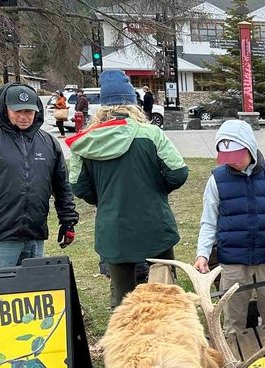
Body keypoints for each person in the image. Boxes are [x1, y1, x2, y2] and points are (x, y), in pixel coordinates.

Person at [68, 69, 188, 307]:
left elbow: (78, 186)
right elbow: (178, 173)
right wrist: (156, 190)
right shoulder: (152, 134)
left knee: (122, 298)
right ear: (133, 103)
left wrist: (104, 198)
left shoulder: (85, 141)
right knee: (166, 291)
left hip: (114, 227)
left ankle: (124, 340)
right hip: (154, 223)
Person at [0, 83, 78, 270]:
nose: (24, 116)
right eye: (17, 111)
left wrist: (67, 221)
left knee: (30, 293)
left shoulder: (47, 143)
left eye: (29, 111)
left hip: (34, 234)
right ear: (5, 109)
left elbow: (62, 185)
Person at [193, 120, 265, 337]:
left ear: (250, 147)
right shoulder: (217, 179)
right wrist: (202, 253)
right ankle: (233, 360)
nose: (233, 163)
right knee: (233, 319)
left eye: (237, 156)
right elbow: (208, 220)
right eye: (227, 158)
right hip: (233, 260)